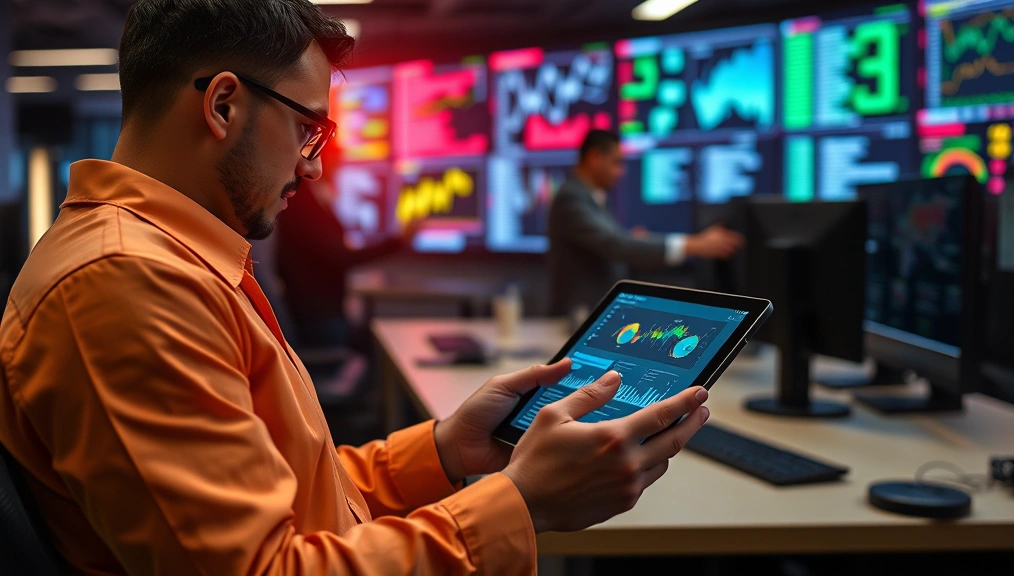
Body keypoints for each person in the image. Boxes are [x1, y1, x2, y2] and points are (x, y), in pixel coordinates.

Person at [0, 1, 710, 574]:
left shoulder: (168, 263)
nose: (313, 169)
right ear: (223, 105)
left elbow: (285, 494)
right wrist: (519, 504)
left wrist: (442, 450)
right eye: (309, 130)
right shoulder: (127, 284)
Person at [548, 129, 746, 316]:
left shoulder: (596, 197)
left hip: (591, 315)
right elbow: (614, 245)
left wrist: (632, 240)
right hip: (574, 319)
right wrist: (693, 245)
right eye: (616, 163)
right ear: (594, 158)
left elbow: (612, 244)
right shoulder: (571, 197)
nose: (621, 172)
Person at [274, 141, 418, 350]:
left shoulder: (314, 197)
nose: (337, 169)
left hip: (323, 311)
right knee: (380, 348)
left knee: (376, 345)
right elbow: (340, 257)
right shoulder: (302, 203)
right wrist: (397, 242)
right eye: (335, 162)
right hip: (316, 317)